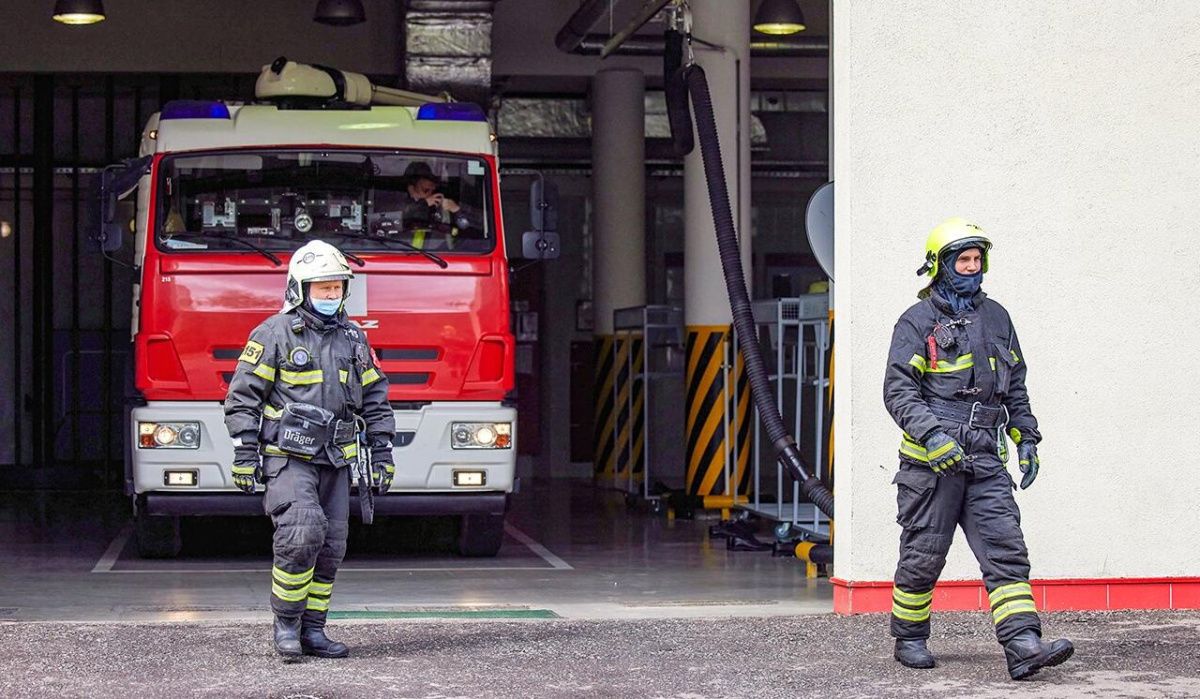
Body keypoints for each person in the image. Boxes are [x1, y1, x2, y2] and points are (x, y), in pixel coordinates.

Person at [883, 218, 1073, 680]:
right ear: (940, 266)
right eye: (962, 261)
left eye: (976, 260)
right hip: (932, 463)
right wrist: (932, 437)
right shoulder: (916, 321)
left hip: (985, 456)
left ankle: (1023, 643)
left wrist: (1026, 436)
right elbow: (898, 391)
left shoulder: (997, 317)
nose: (972, 268)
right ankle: (909, 635)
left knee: (1005, 547)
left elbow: (1017, 386)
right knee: (924, 551)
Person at [224, 239, 395, 658]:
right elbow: (243, 397)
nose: (331, 295)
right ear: (300, 289)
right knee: (301, 532)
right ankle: (286, 625)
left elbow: (375, 397)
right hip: (289, 458)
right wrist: (246, 454)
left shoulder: (354, 337)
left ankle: (313, 630)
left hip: (336, 459)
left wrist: (383, 452)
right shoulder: (273, 333)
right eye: (323, 288)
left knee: (332, 544)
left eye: (337, 288)